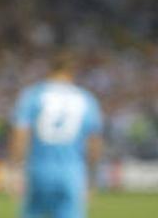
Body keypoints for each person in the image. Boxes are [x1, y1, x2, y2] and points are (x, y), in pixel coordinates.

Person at [8, 52, 103, 218]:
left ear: (50, 69)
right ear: (72, 71)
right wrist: (93, 177)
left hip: (38, 170)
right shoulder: (86, 98)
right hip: (72, 172)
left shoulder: (33, 95)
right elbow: (94, 142)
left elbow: (20, 134)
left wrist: (15, 169)